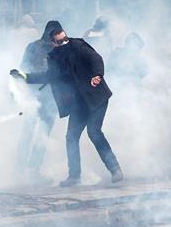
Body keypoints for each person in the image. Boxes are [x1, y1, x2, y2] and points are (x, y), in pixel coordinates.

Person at [12, 27, 123, 187]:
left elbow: (96, 59)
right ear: (53, 43)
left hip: (96, 98)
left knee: (94, 132)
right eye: (60, 41)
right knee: (71, 137)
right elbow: (48, 76)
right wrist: (25, 77)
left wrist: (97, 75)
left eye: (65, 39)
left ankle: (115, 169)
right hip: (80, 104)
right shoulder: (54, 58)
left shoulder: (78, 45)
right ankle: (74, 176)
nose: (64, 43)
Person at [16, 20, 61, 174]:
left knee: (41, 132)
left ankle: (31, 168)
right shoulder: (35, 47)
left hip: (50, 95)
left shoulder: (58, 48)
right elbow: (24, 68)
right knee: (32, 130)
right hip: (36, 93)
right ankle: (24, 167)